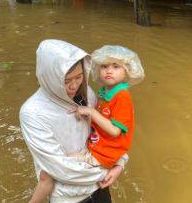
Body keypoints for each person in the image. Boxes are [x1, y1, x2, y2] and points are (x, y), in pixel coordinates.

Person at [20, 39, 126, 203]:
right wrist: (108, 169)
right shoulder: (33, 113)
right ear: (48, 77)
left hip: (100, 187)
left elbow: (110, 131)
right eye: (66, 81)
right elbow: (61, 169)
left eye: (79, 77)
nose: (74, 86)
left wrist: (119, 163)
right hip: (69, 197)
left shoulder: (86, 93)